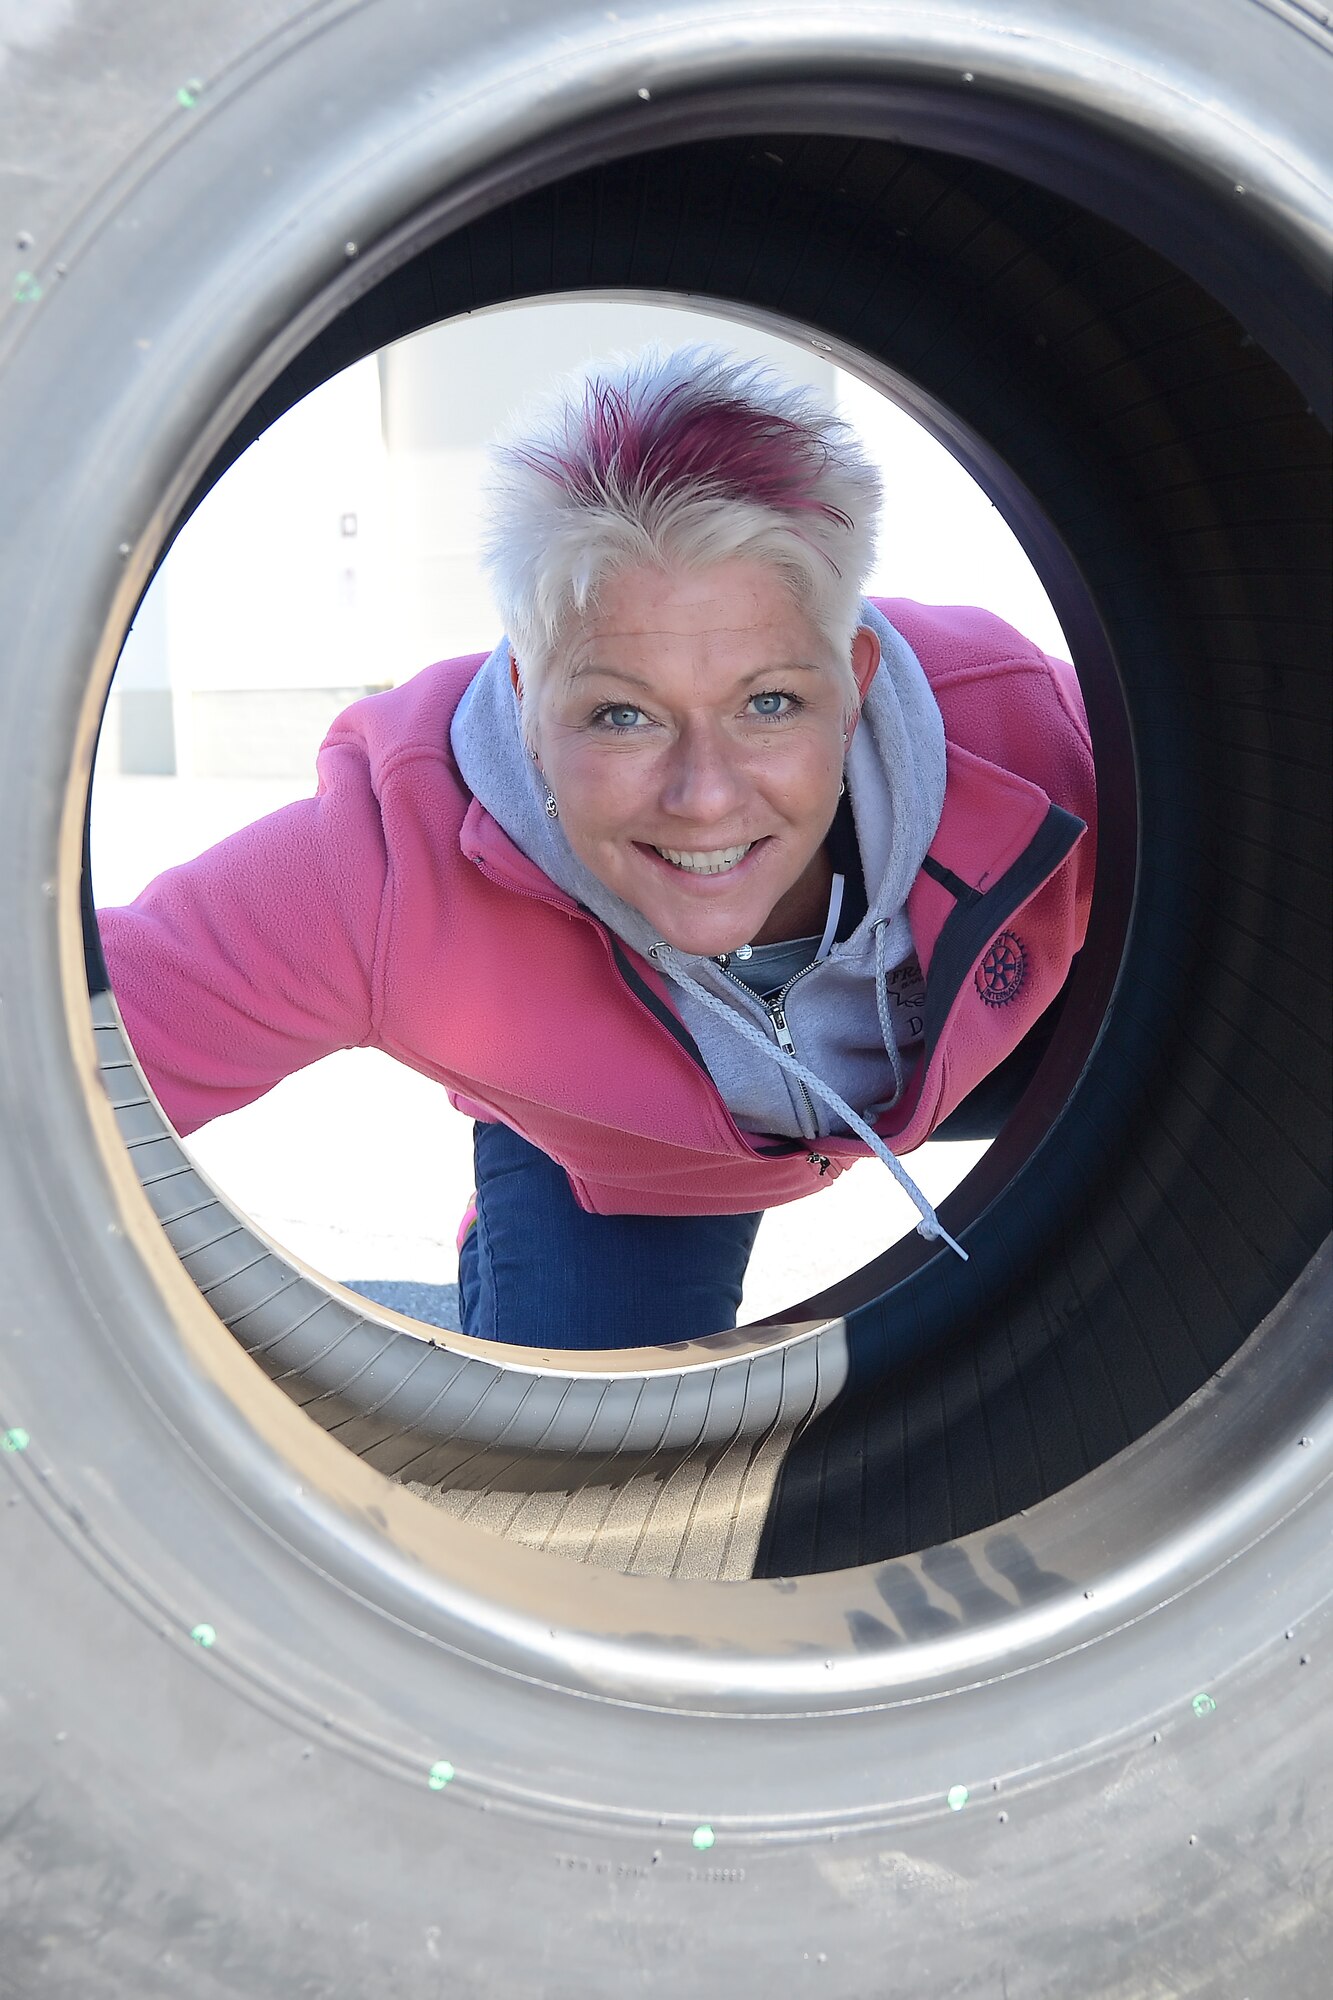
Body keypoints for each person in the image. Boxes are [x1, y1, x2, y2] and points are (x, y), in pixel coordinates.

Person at [98, 346, 1097, 1348]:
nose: (704, 796)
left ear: (853, 684)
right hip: (623, 1152)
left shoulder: (1027, 733)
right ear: (532, 704)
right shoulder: (388, 857)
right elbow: (68, 1053)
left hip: (998, 1042)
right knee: (579, 1471)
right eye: (622, 714)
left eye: (769, 702)